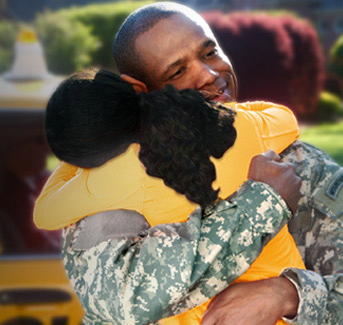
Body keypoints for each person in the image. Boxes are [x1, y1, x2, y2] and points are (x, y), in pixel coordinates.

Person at [35, 2, 343, 324]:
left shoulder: (296, 162)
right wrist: (261, 203)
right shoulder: (107, 188)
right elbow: (126, 299)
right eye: (177, 71)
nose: (210, 75)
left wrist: (288, 295)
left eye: (210, 53)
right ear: (141, 91)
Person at [43, 68, 304, 324]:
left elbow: (45, 212)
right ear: (134, 86)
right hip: (288, 307)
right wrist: (225, 110)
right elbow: (285, 119)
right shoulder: (236, 127)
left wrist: (84, 152)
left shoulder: (105, 185)